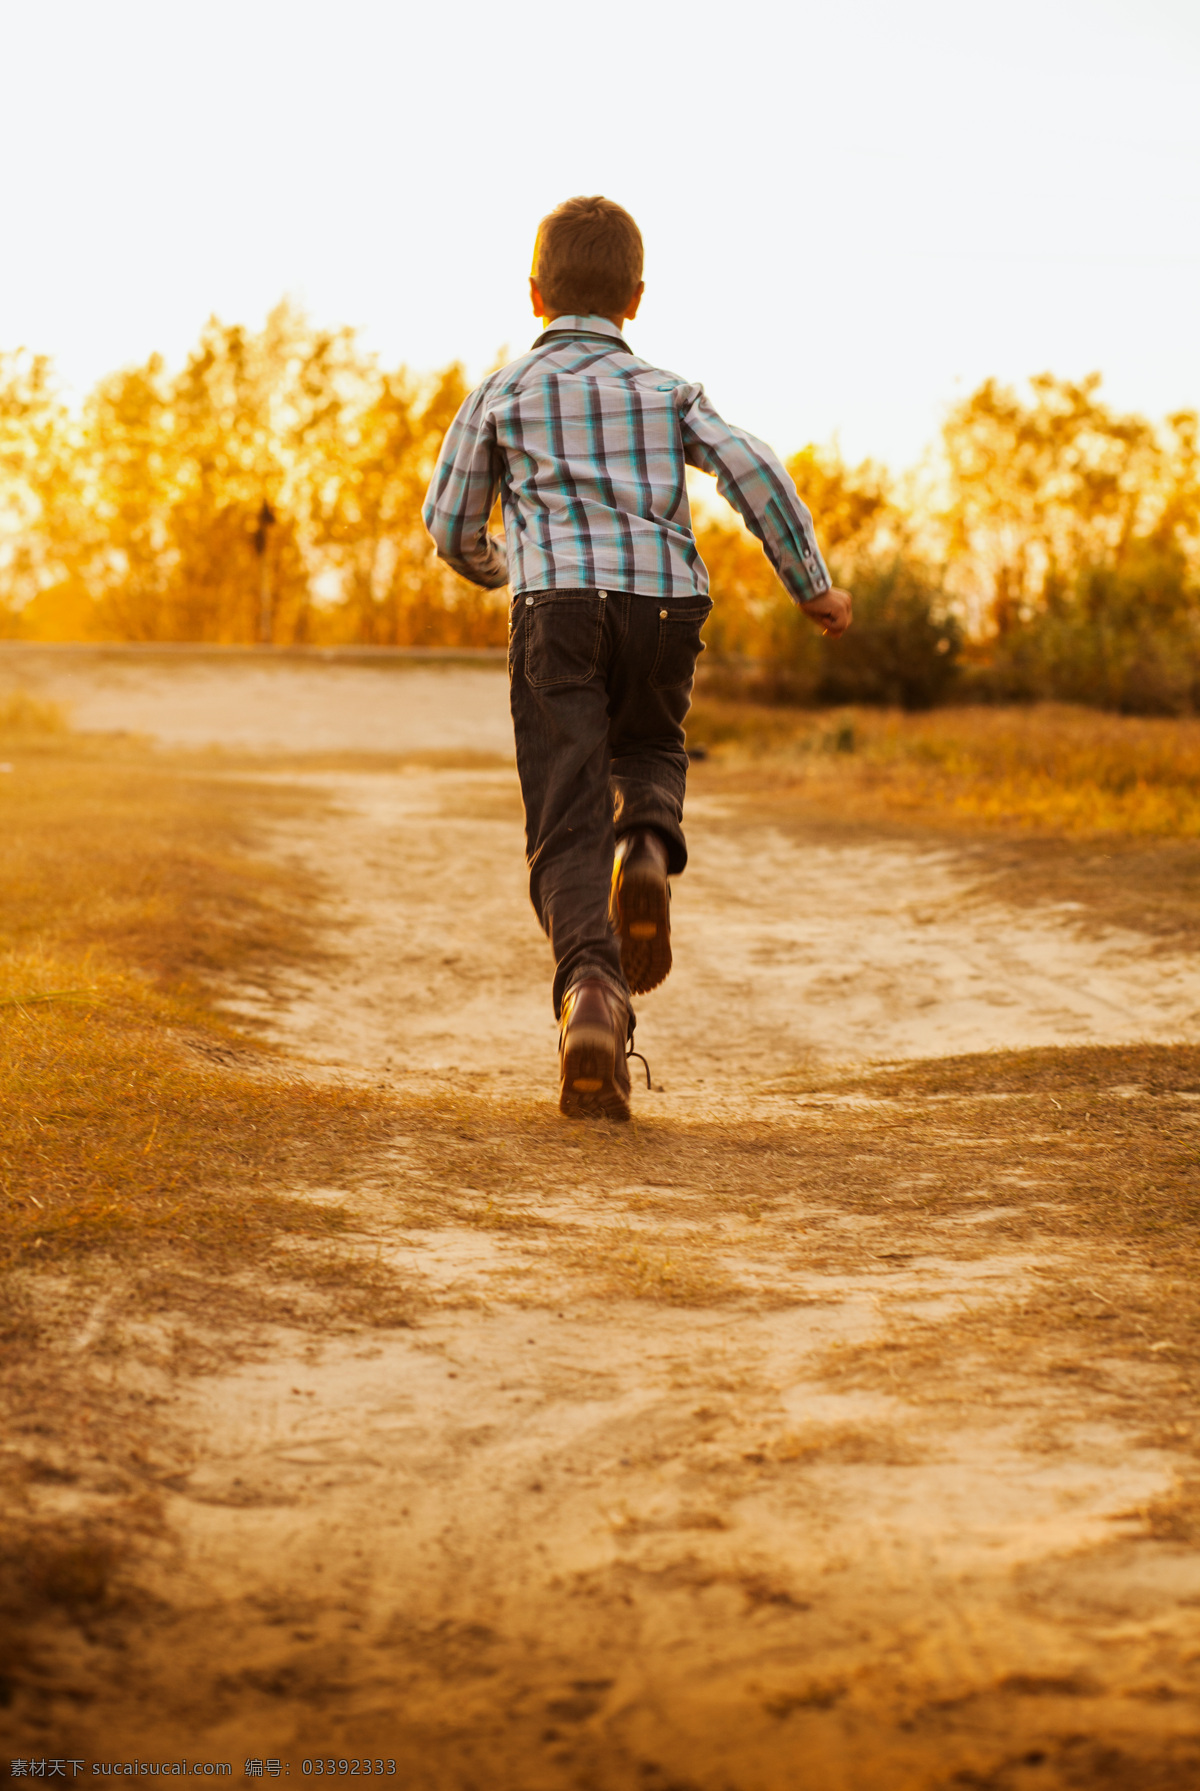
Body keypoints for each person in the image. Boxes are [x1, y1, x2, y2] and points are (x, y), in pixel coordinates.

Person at [423, 195, 851, 1122]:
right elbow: (754, 467)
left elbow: (449, 523)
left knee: (566, 819)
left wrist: (497, 566)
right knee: (651, 748)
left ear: (535, 294)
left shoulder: (504, 391)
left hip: (558, 608)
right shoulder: (668, 391)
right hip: (663, 601)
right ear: (636, 299)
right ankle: (649, 845)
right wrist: (811, 583)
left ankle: (593, 997)